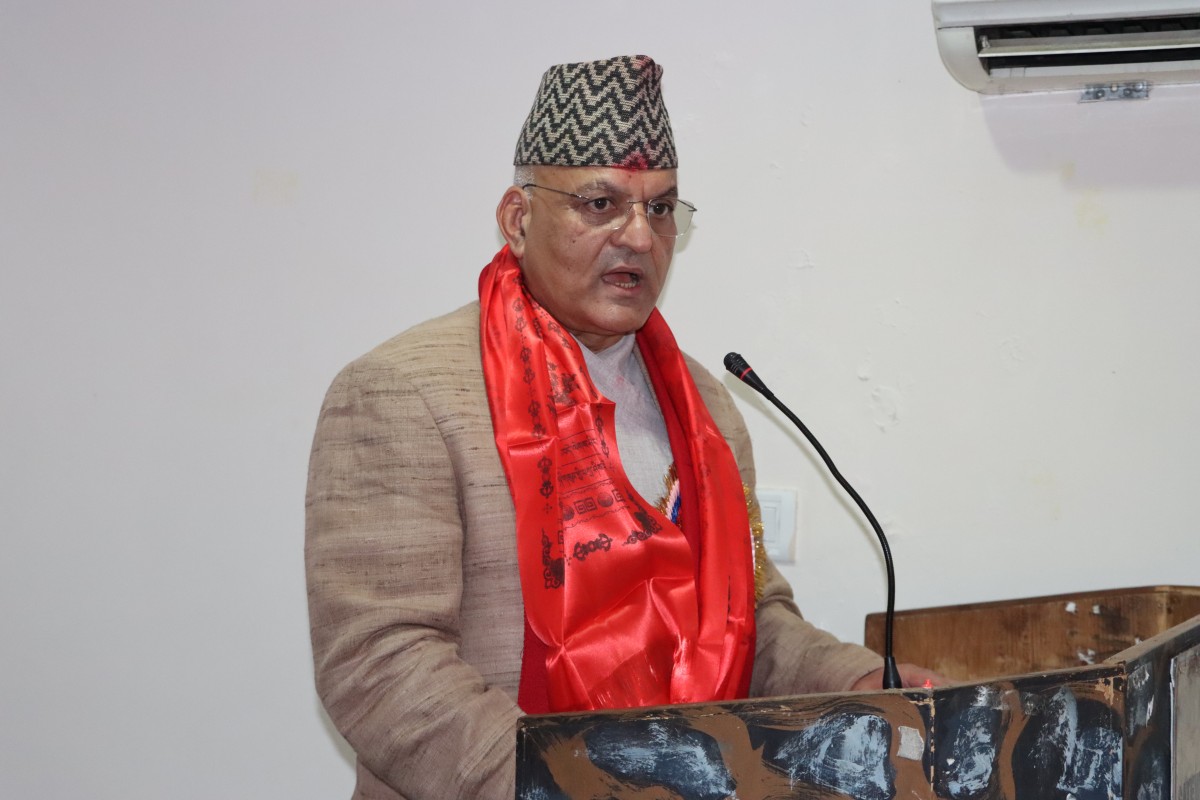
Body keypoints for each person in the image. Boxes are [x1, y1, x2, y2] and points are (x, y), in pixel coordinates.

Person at [305, 54, 941, 800]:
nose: (640, 236)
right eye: (600, 203)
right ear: (517, 219)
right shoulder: (407, 391)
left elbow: (751, 621)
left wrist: (865, 686)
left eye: (662, 209)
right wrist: (568, 785)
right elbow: (380, 663)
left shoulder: (707, 407)